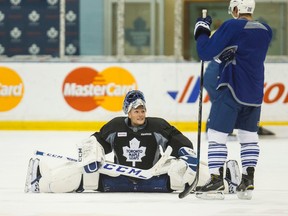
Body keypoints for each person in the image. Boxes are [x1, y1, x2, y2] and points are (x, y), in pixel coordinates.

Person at [25, 90, 210, 193]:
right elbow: (95, 141)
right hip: (118, 180)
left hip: (154, 179)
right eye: (136, 111)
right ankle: (39, 181)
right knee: (82, 177)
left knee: (181, 173)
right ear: (128, 112)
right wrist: (91, 157)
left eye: (143, 110)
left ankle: (220, 180)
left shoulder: (157, 126)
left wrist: (185, 151)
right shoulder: (115, 126)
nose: (141, 114)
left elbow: (177, 139)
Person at [193, 0, 272, 199]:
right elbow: (238, 50)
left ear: (237, 9)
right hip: (254, 92)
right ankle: (248, 179)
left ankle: (216, 179)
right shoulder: (265, 30)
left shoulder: (232, 25)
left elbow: (205, 52)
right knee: (248, 136)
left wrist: (202, 31)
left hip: (232, 88)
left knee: (216, 134)